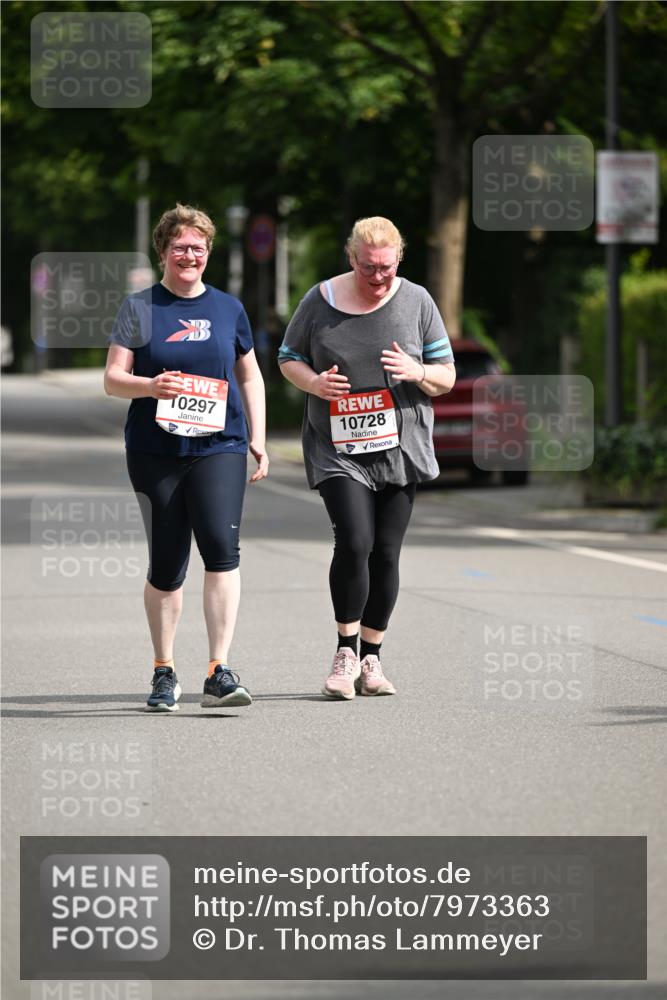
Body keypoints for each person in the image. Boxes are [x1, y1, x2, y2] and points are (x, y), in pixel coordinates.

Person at [278, 216, 455, 700]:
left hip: (400, 446)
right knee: (355, 541)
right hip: (338, 447)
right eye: (368, 268)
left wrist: (416, 370)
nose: (378, 278)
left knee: (387, 552)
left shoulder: (417, 300)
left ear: (399, 258)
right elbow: (287, 355)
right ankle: (346, 651)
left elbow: (447, 377)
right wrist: (313, 383)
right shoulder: (320, 301)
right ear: (351, 258)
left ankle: (373, 657)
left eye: (386, 267)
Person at [104, 203, 268, 712]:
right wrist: (151, 386)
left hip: (220, 445)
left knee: (221, 549)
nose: (189, 255)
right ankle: (164, 669)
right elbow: (112, 379)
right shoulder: (139, 308)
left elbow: (249, 376)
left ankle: (219, 670)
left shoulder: (228, 308)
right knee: (168, 562)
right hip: (156, 451)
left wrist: (258, 437)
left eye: (198, 247)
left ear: (208, 253)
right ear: (163, 252)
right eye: (180, 247)